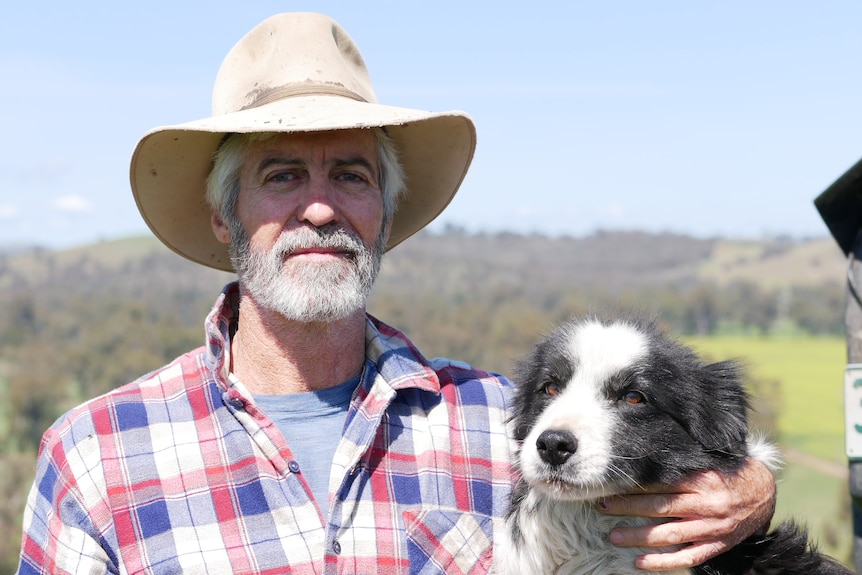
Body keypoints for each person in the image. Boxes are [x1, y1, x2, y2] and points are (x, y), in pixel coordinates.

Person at [17, 12, 776, 575]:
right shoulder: (97, 457)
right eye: (282, 175)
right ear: (225, 214)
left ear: (384, 210)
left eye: (351, 174)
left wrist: (749, 490)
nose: (320, 207)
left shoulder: (505, 425)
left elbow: (673, 489)